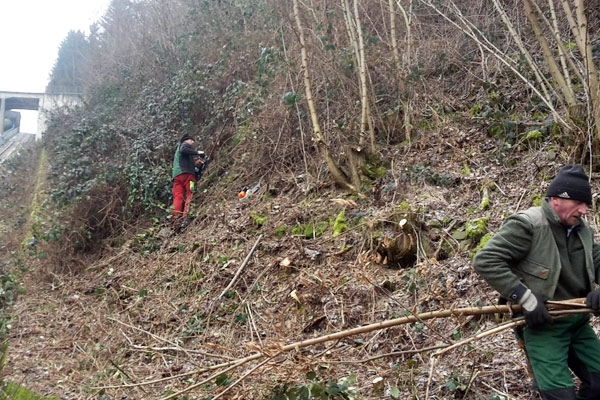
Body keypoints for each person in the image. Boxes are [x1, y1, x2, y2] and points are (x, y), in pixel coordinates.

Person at [473, 164, 600, 400]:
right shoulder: (529, 224)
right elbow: (486, 260)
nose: (584, 210)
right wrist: (526, 298)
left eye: (587, 205)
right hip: (543, 325)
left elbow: (598, 260)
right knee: (561, 396)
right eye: (579, 203)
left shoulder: (582, 230)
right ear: (557, 200)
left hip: (578, 322)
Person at [171, 133, 204, 223]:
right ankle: (186, 216)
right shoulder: (184, 145)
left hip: (177, 177)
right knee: (191, 193)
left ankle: (175, 219)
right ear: (186, 140)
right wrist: (198, 152)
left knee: (178, 197)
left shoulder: (182, 154)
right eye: (191, 141)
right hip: (187, 175)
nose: (192, 143)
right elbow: (184, 149)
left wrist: (197, 164)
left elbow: (188, 162)